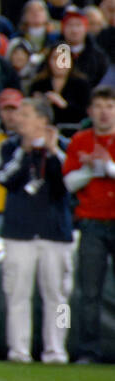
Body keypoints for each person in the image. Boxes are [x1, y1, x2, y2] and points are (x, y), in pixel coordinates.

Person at [0, 96, 71, 364]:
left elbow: (72, 183)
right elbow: (3, 178)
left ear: (43, 119)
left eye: (26, 115)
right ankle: (18, 351)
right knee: (16, 294)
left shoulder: (64, 146)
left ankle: (56, 350)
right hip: (20, 231)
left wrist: (52, 152)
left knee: (59, 297)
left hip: (55, 232)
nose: (18, 119)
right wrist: (24, 153)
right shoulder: (9, 147)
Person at [61, 84, 115, 363]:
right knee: (89, 291)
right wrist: (92, 169)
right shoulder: (81, 140)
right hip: (92, 221)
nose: (104, 113)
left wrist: (106, 167)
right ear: (90, 111)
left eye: (109, 107)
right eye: (99, 107)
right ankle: (88, 351)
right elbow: (69, 182)